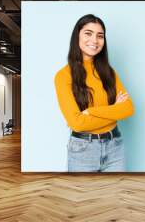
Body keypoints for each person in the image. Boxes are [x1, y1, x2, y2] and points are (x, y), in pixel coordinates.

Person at [54, 14, 135, 172]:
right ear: (77, 35)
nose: (95, 40)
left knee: (115, 196)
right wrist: (114, 111)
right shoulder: (63, 76)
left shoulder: (109, 73)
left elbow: (128, 108)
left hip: (115, 147)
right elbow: (77, 123)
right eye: (88, 33)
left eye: (100, 36)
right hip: (83, 150)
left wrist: (91, 111)